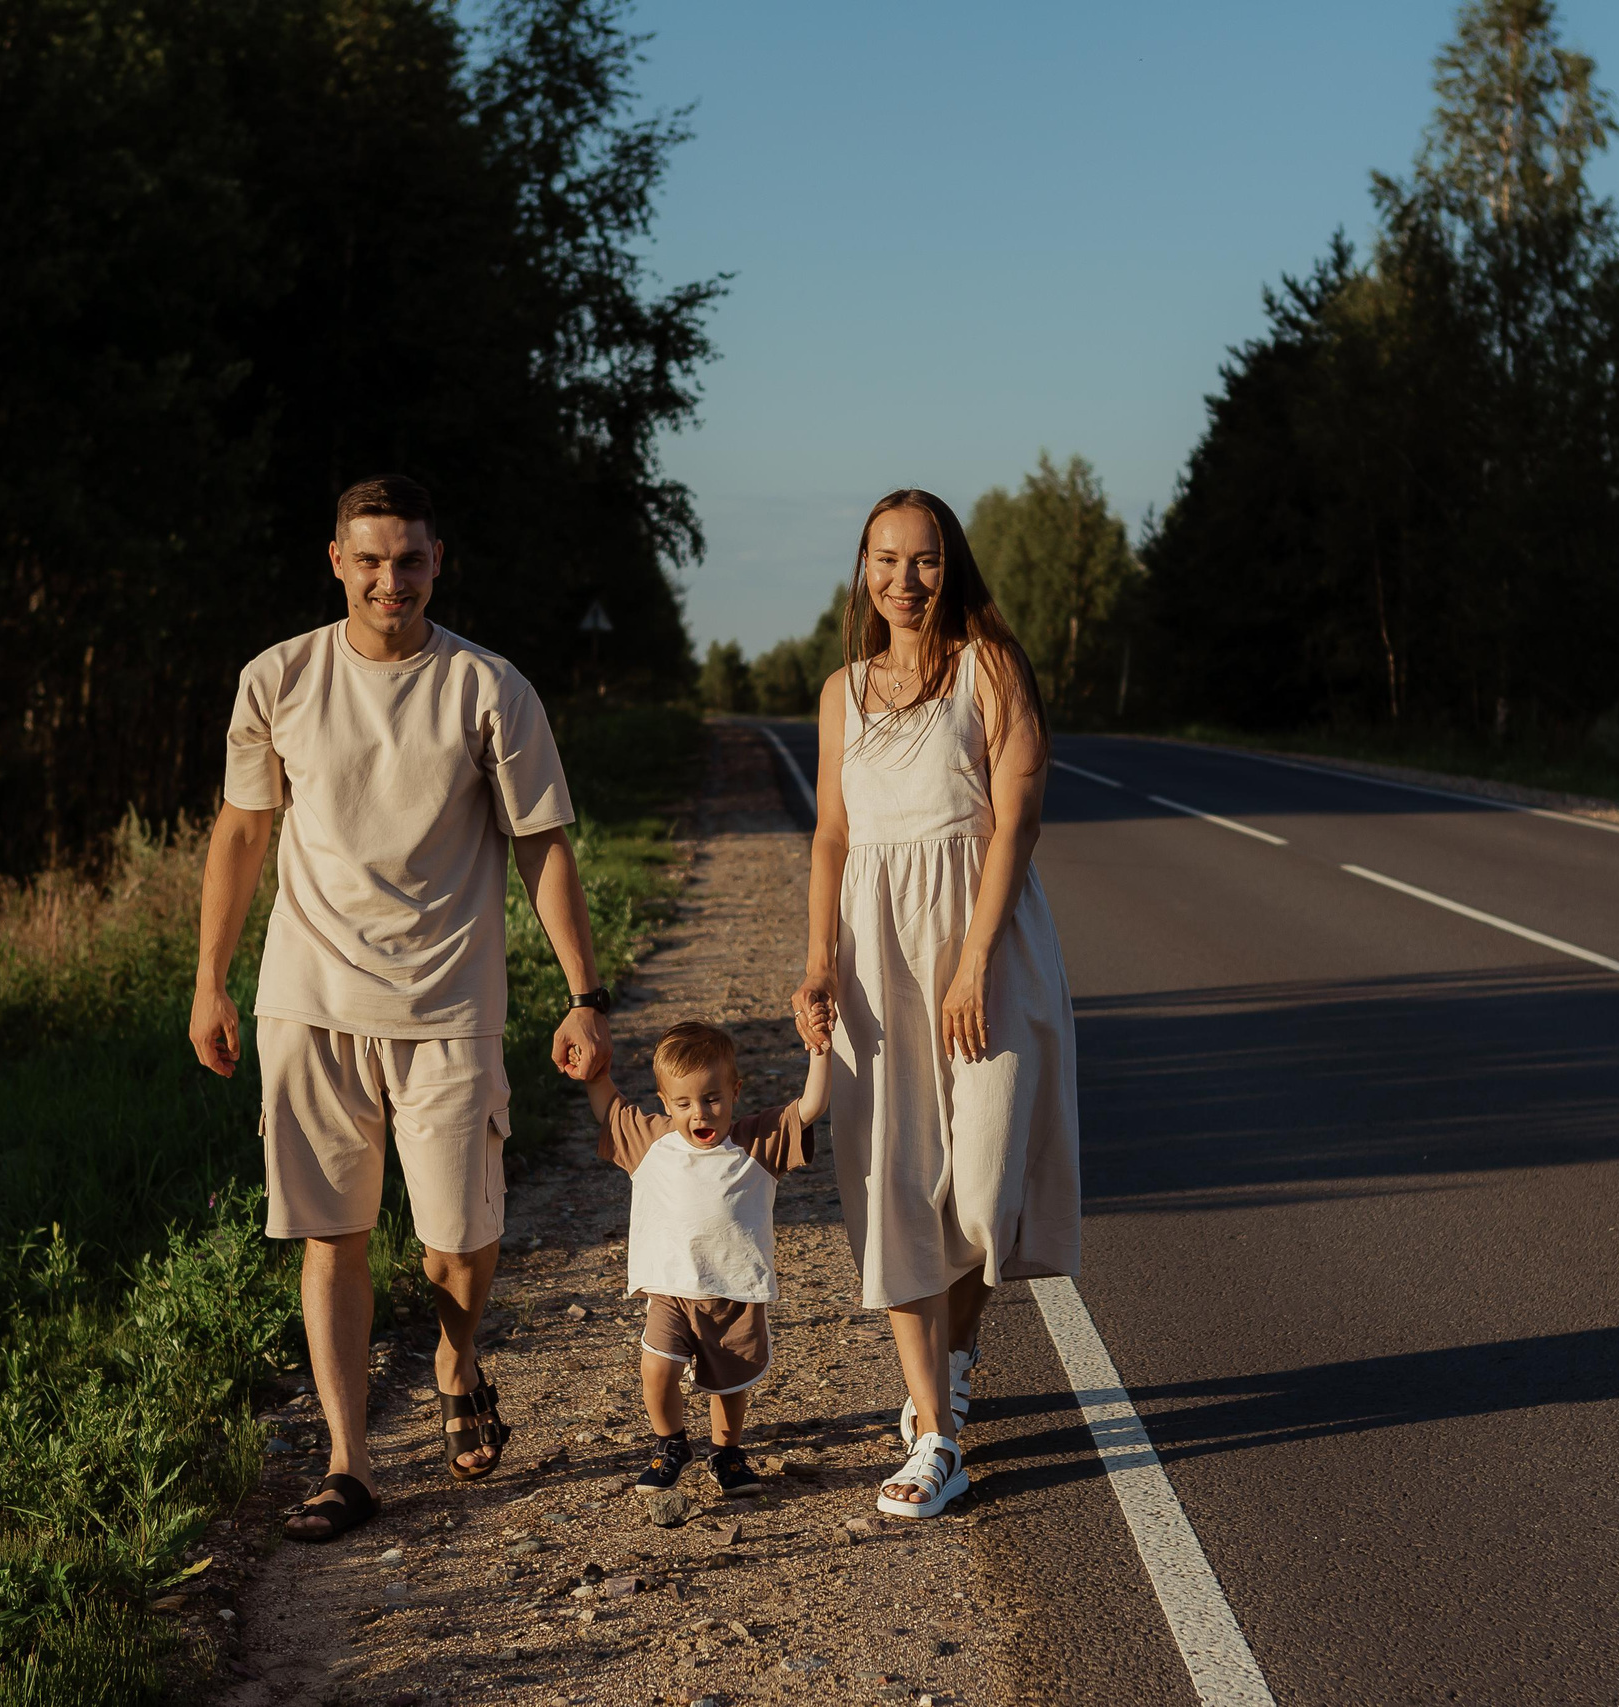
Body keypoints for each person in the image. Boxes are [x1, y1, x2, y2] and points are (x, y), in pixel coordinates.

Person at [188, 474, 614, 1544]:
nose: (390, 579)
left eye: (409, 559)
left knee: (460, 1241)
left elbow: (541, 845)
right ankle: (347, 1463)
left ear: (438, 561)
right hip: (308, 1000)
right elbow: (243, 834)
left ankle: (457, 1358)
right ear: (335, 560)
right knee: (330, 1235)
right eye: (369, 559)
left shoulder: (488, 688)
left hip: (448, 1005)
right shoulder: (277, 679)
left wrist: (583, 993)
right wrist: (211, 980)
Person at [790, 489, 1081, 1521]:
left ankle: (955, 1351)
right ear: (861, 568)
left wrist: (972, 961)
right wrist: (819, 961)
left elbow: (1016, 824)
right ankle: (935, 1433)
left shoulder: (987, 670)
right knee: (896, 1189)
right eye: (883, 560)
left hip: (983, 948)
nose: (902, 581)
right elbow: (831, 834)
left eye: (921, 561)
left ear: (949, 566)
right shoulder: (843, 692)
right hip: (874, 958)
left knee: (981, 1187)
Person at [586, 1021, 830, 1499]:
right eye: (683, 1103)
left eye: (712, 1098)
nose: (700, 1112)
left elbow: (812, 1106)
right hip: (671, 1292)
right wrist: (594, 1070)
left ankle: (727, 1452)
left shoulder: (757, 1142)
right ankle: (671, 1443)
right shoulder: (651, 1142)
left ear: (735, 1092)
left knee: (728, 1387)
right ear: (664, 1103)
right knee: (656, 1371)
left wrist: (820, 1050)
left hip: (734, 1294)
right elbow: (610, 1109)